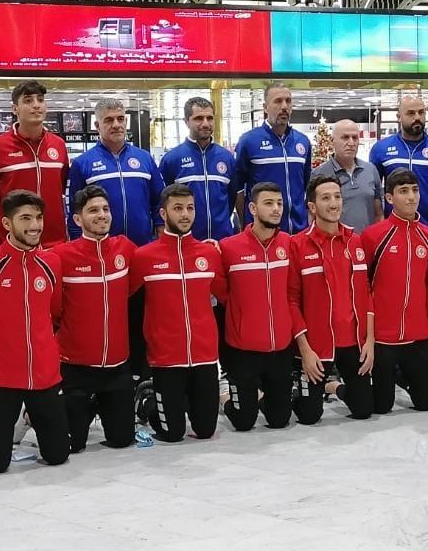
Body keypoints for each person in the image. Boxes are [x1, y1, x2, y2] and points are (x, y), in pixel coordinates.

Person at [0, 190, 68, 473]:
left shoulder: (52, 263)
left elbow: (54, 311)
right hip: (1, 375)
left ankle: (29, 417)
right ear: (7, 223)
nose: (35, 225)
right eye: (25, 218)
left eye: (38, 217)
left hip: (45, 373)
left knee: (58, 456)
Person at [130, 184, 224, 442]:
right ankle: (146, 399)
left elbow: (226, 295)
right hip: (166, 358)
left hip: (204, 356)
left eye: (190, 208)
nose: (185, 214)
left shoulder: (209, 253)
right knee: (172, 433)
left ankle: (184, 401)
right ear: (163, 213)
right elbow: (126, 301)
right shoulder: (144, 256)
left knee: (205, 431)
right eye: (178, 208)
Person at [52, 185, 137, 451]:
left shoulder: (126, 248)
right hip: (75, 367)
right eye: (93, 211)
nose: (101, 215)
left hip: (117, 366)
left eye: (105, 209)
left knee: (121, 440)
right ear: (78, 219)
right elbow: (53, 308)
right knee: (72, 445)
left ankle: (104, 405)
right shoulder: (60, 256)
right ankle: (33, 414)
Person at [288, 176, 376, 424]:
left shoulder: (355, 241)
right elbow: (291, 301)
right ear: (312, 206)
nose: (334, 203)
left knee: (363, 410)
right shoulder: (297, 245)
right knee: (309, 416)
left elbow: (367, 293)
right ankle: (292, 387)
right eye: (326, 198)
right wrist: (305, 351)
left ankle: (333, 387)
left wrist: (369, 341)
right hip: (317, 346)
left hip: (353, 342)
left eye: (337, 197)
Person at [215, 182, 297, 431]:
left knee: (280, 420)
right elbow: (222, 292)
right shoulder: (229, 247)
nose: (276, 209)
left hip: (280, 348)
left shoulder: (289, 244)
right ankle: (224, 395)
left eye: (279, 203)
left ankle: (260, 396)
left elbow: (293, 291)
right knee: (243, 422)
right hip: (243, 351)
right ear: (252, 208)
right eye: (268, 203)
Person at [360, 170, 428, 413]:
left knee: (427, 403)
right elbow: (362, 286)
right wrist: (367, 337)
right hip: (383, 338)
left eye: (415, 190)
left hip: (417, 336)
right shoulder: (373, 235)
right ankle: (338, 387)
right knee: (381, 407)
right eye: (403, 191)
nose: (411, 197)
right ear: (389, 198)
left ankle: (402, 375)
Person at [0, 81, 69, 248]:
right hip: (13, 244)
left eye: (40, 99)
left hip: (55, 243)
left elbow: (62, 187)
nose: (36, 105)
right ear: (15, 109)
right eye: (28, 100)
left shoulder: (58, 145)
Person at [68, 97, 164, 245]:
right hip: (102, 247)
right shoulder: (82, 163)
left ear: (126, 121)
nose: (116, 125)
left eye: (120, 119)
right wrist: (78, 244)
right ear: (97, 125)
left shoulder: (145, 158)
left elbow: (159, 201)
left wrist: (161, 237)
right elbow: (75, 210)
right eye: (109, 120)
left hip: (142, 245)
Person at [369, 95, 428, 238]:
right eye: (411, 113)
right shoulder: (380, 149)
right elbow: (374, 195)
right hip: (392, 234)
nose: (417, 117)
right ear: (399, 117)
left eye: (421, 112)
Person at [234, 82, 311, 233]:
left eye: (288, 101)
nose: (284, 106)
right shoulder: (248, 141)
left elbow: (306, 186)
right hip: (262, 233)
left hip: (298, 230)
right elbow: (238, 189)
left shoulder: (303, 141)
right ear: (265, 107)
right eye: (278, 101)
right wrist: (245, 224)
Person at [159, 96, 237, 241]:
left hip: (223, 239)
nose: (205, 123)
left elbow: (232, 197)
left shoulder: (227, 157)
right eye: (199, 118)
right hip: (187, 241)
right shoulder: (172, 159)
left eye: (210, 118)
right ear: (186, 121)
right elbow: (164, 201)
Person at [311, 119, 383, 231]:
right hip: (334, 240)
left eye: (355, 138)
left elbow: (379, 213)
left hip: (367, 240)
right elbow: (312, 216)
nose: (351, 143)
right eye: (345, 137)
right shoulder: (319, 173)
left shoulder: (371, 170)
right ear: (332, 141)